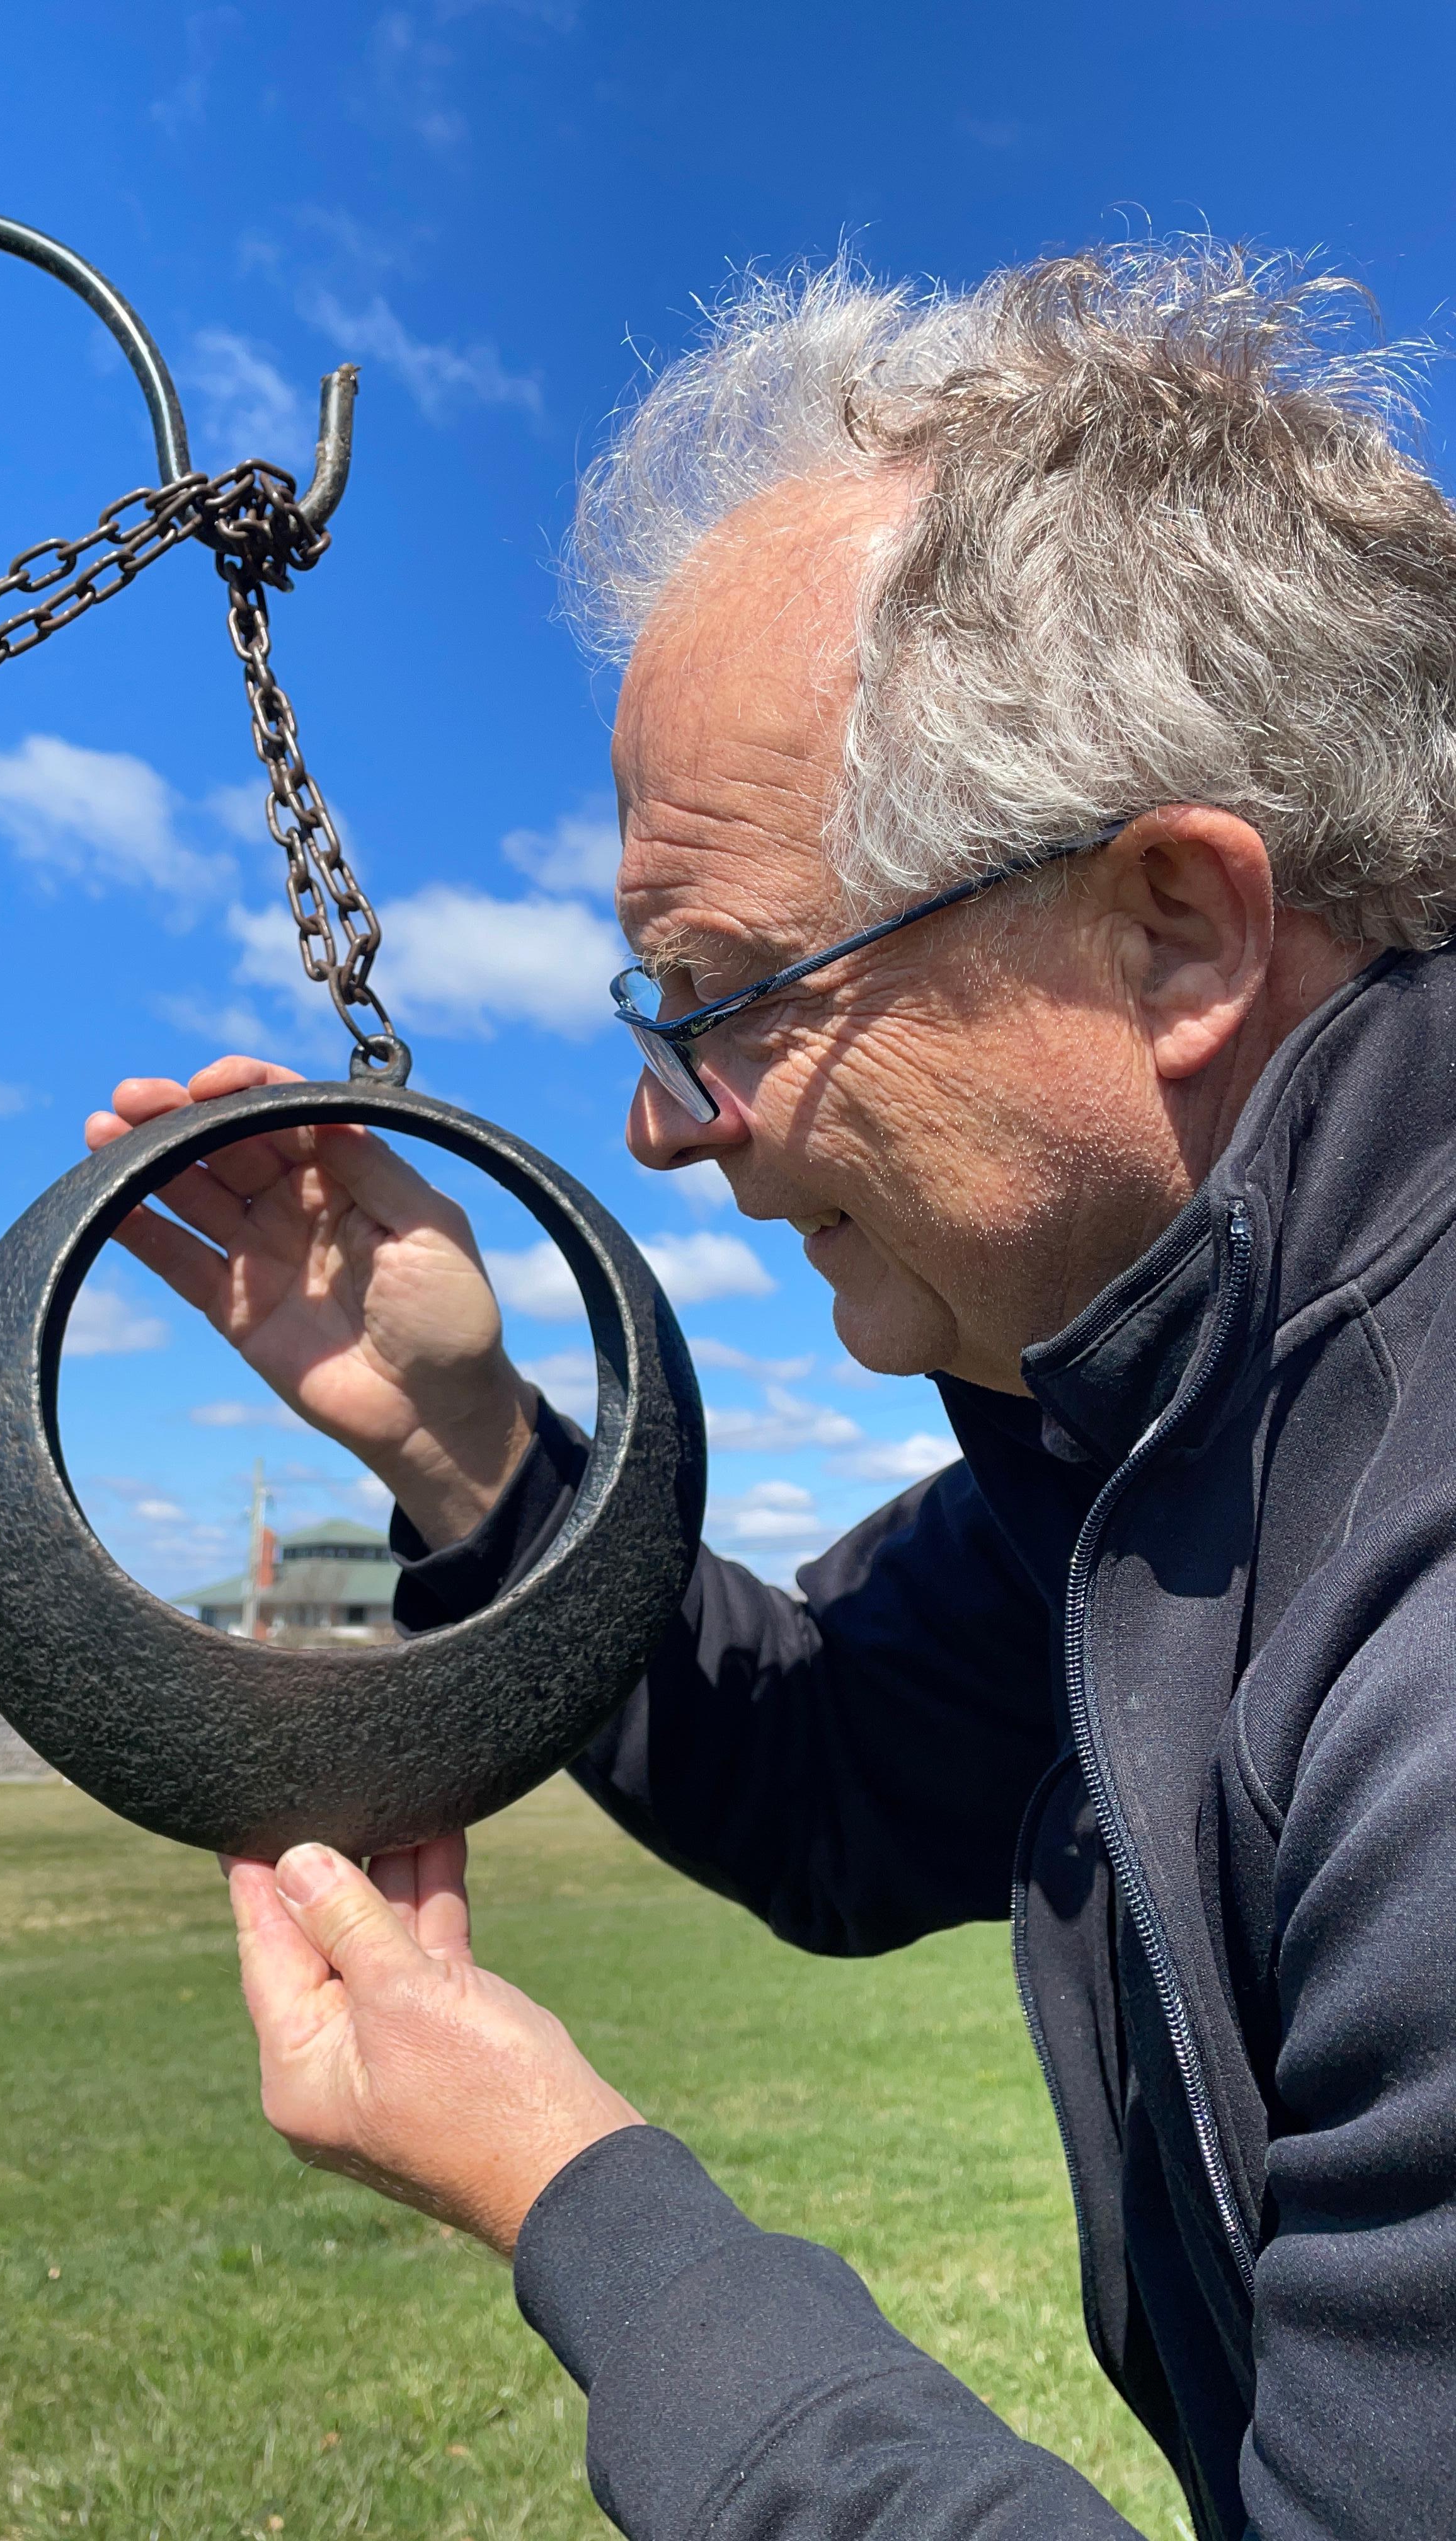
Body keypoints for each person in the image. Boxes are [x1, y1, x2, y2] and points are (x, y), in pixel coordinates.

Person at [83, 246, 1456, 2540]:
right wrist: (457, 1438)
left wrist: (580, 2204)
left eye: (726, 992)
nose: (666, 1122)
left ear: (1179, 928)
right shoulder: (1170, 1440)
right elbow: (834, 1771)